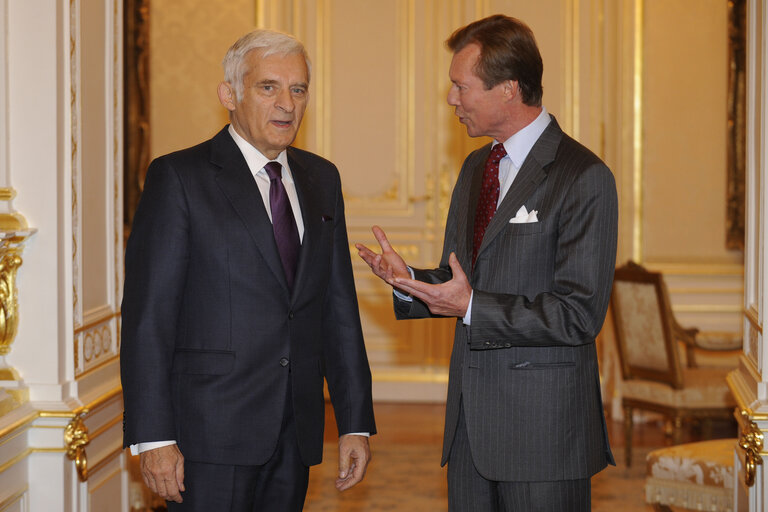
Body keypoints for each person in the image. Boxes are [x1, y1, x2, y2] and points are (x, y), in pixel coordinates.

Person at [357, 14, 617, 511]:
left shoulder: (584, 177)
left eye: (460, 86)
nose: (451, 99)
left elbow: (579, 314)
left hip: (542, 437)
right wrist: (408, 279)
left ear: (507, 90)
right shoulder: (478, 166)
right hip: (470, 431)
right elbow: (462, 282)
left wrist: (473, 305)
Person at [121, 29, 376, 512]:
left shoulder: (323, 178)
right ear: (229, 95)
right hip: (207, 436)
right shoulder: (178, 177)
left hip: (295, 431)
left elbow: (338, 307)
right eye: (268, 87)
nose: (287, 103)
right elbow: (147, 318)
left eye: (298, 89)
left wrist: (354, 421)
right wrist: (153, 436)